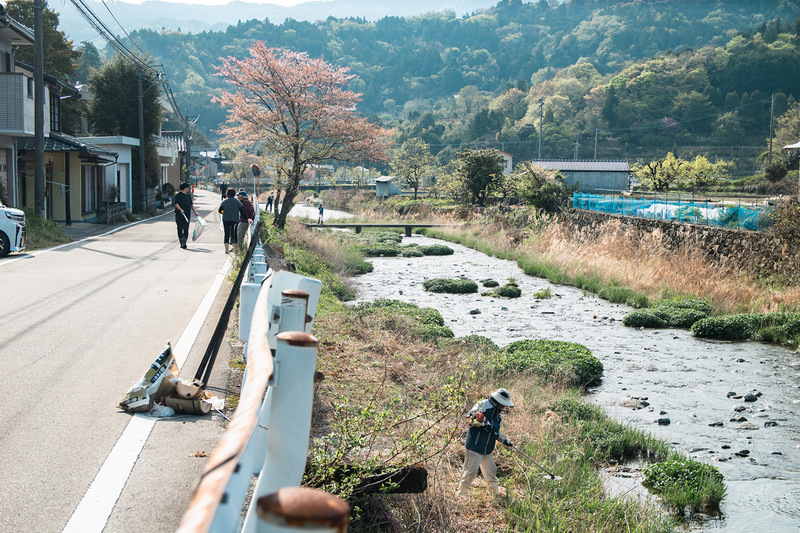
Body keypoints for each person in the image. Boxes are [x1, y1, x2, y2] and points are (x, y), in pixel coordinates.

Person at [456, 388, 514, 497]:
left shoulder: (498, 415)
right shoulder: (483, 405)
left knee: (491, 474)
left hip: (488, 450)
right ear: (498, 402)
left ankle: (494, 495)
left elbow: (495, 432)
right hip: (475, 446)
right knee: (470, 473)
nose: (504, 407)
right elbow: (470, 417)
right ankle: (461, 496)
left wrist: (504, 440)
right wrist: (481, 422)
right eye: (503, 404)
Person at [218, 188, 246, 254]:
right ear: (234, 194)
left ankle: (226, 250)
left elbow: (220, 210)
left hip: (226, 219)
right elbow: (242, 210)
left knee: (227, 234)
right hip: (235, 219)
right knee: (234, 234)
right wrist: (247, 218)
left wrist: (224, 212)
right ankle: (235, 250)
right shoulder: (237, 202)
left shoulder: (224, 202)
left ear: (227, 194)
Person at [174, 182, 199, 249]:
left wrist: (195, 212)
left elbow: (191, 205)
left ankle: (184, 241)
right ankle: (181, 241)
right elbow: (176, 204)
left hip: (187, 215)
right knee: (179, 228)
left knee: (186, 228)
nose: (189, 189)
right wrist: (180, 209)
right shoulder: (178, 195)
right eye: (188, 187)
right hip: (179, 215)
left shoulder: (188, 196)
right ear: (185, 188)